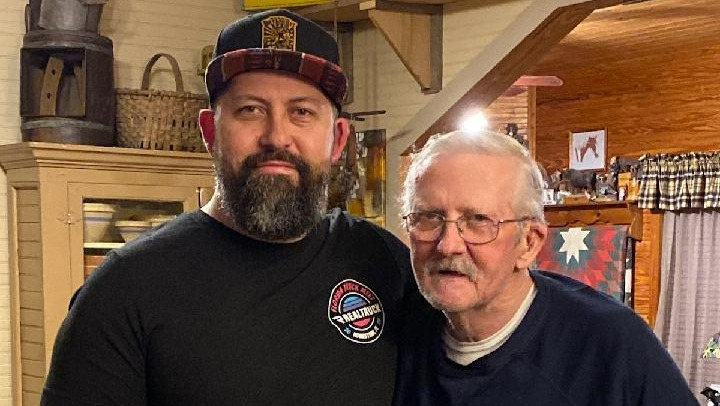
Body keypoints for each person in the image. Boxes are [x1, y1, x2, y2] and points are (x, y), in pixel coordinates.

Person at [41, 9, 415, 406]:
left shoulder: (384, 263)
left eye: (301, 112)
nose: (277, 136)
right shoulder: (125, 289)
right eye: (250, 109)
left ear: (338, 140)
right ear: (210, 132)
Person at [393, 129, 699, 405]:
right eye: (428, 217)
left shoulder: (612, 346)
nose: (448, 245)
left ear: (529, 243)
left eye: (478, 220)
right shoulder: (391, 334)